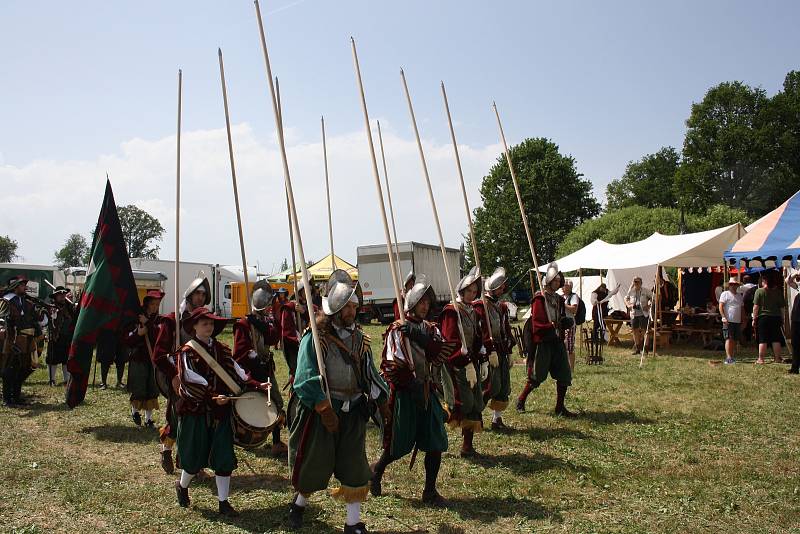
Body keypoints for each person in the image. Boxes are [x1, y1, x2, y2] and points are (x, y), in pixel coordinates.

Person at [287, 271, 389, 533]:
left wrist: (382, 399)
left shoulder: (360, 338)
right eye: (348, 307)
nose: (352, 311)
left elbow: (369, 374)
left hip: (353, 410)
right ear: (336, 309)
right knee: (314, 464)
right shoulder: (316, 337)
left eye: (355, 306)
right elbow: (304, 377)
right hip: (325, 412)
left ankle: (352, 524)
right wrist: (323, 408)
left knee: (355, 467)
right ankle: (298, 506)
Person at [174, 307, 272, 516]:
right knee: (192, 459)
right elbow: (190, 380)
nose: (208, 327)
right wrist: (211, 397)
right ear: (194, 327)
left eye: (211, 324)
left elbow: (238, 372)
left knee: (223, 457)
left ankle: (223, 502)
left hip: (221, 412)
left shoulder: (222, 349)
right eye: (204, 324)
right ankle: (182, 486)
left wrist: (257, 385)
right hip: (197, 411)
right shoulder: (186, 352)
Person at [371, 274, 450, 506]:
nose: (425, 306)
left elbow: (439, 352)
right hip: (405, 394)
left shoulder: (430, 329)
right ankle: (376, 470)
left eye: (427, 302)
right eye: (421, 302)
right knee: (398, 445)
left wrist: (420, 336)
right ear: (412, 303)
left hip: (427, 392)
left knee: (435, 441)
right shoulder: (396, 330)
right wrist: (410, 383)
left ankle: (430, 491)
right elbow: (391, 364)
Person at [153, 276, 212, 474]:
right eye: (197, 293)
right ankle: (167, 450)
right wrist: (174, 374)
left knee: (198, 421)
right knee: (176, 417)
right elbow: (159, 355)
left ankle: (193, 463)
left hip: (199, 379)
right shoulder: (173, 320)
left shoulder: (205, 321)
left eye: (204, 294)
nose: (201, 297)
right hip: (177, 376)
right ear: (190, 294)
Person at [232, 281, 286, 456]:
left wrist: (264, 324)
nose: (270, 308)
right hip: (250, 371)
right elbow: (239, 352)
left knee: (276, 401)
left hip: (266, 368)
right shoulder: (243, 324)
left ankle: (277, 442)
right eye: (268, 305)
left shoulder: (264, 321)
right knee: (250, 403)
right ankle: (242, 437)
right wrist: (254, 359)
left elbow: (273, 339)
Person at [516, 263, 575, 417]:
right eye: (554, 280)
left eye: (558, 281)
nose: (557, 283)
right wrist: (550, 326)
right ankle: (521, 399)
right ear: (548, 281)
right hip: (543, 342)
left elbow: (560, 317)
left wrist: (563, 322)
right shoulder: (539, 298)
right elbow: (537, 324)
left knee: (564, 374)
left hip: (557, 341)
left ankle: (559, 407)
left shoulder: (559, 299)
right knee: (537, 376)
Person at [440, 267, 485, 457]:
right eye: (469, 291)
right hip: (456, 364)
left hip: (471, 363)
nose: (472, 295)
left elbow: (476, 336)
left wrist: (481, 355)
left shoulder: (473, 311)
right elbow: (449, 341)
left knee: (475, 402)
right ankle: (436, 422)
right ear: (461, 291)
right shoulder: (452, 311)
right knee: (461, 403)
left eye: (475, 292)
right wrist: (464, 361)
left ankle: (467, 447)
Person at [474, 267, 515, 431]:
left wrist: (510, 349)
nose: (503, 289)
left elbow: (505, 328)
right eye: (500, 287)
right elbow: (481, 330)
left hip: (501, 348)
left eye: (503, 286)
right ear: (493, 288)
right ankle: (476, 414)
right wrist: (488, 350)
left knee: (503, 385)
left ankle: (497, 419)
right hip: (488, 349)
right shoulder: (480, 305)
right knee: (491, 386)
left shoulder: (502, 306)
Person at [124, 289, 164, 427]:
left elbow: (159, 335)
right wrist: (139, 334)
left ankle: (148, 419)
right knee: (139, 387)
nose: (155, 307)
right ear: (147, 304)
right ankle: (134, 411)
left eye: (157, 304)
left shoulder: (158, 320)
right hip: (139, 358)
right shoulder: (136, 318)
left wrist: (148, 323)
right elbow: (128, 339)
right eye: (153, 304)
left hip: (153, 358)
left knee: (152, 388)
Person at [0, 276, 42, 407]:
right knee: (10, 369)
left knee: (25, 367)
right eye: (23, 285)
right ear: (16, 286)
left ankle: (16, 396)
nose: (25, 287)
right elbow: (1, 318)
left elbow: (36, 318)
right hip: (12, 338)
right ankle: (8, 399)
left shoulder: (26, 302)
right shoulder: (6, 301)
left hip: (27, 339)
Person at [280, 280, 316, 380]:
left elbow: (316, 322)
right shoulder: (289, 308)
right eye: (306, 290)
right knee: (297, 375)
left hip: (311, 346)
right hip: (295, 347)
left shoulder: (312, 307)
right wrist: (300, 341)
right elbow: (286, 332)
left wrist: (304, 312)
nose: (309, 292)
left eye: (310, 290)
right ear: (300, 292)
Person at [752, 270, 786, 364]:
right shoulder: (778, 292)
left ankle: (761, 359)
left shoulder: (759, 291)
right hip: (776, 317)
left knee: (762, 338)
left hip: (763, 318)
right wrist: (782, 318)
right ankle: (777, 358)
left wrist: (754, 319)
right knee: (776, 339)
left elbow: (756, 307)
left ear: (765, 281)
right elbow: (782, 307)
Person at [45, 286, 76, 386]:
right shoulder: (52, 306)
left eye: (63, 295)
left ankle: (66, 380)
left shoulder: (69, 306)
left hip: (68, 336)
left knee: (66, 359)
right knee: (53, 359)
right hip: (56, 336)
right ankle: (52, 379)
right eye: (60, 295)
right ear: (55, 296)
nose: (62, 297)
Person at [718, 277, 743, 365]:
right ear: (729, 285)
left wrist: (743, 320)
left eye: (735, 284)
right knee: (728, 338)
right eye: (732, 284)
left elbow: (742, 309)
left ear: (737, 285)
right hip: (728, 320)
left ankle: (731, 357)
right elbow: (720, 306)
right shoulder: (725, 294)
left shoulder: (740, 296)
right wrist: (723, 317)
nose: (733, 286)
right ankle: (728, 357)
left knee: (734, 339)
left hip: (737, 321)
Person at [624, 277, 652, 354]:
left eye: (637, 282)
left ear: (641, 283)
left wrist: (648, 305)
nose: (636, 283)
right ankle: (637, 348)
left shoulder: (645, 291)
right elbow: (626, 298)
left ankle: (646, 348)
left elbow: (654, 298)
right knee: (635, 330)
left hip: (643, 313)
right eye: (634, 282)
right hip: (634, 313)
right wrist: (628, 305)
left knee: (644, 331)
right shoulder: (631, 291)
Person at [561, 280, 580, 371]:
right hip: (561, 324)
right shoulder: (561, 297)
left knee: (569, 346)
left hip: (570, 324)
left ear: (570, 287)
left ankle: (571, 368)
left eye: (564, 285)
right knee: (562, 346)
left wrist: (563, 305)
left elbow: (574, 310)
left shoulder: (573, 297)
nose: (562, 287)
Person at [786, 273, 800, 374]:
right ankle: (795, 367)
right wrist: (796, 273)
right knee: (795, 343)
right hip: (796, 318)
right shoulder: (798, 286)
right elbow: (788, 281)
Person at [740, 275, 757, 344]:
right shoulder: (755, 286)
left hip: (746, 306)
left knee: (746, 321)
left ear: (744, 280)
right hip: (753, 305)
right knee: (752, 321)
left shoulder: (744, 287)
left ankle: (746, 337)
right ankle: (751, 337)